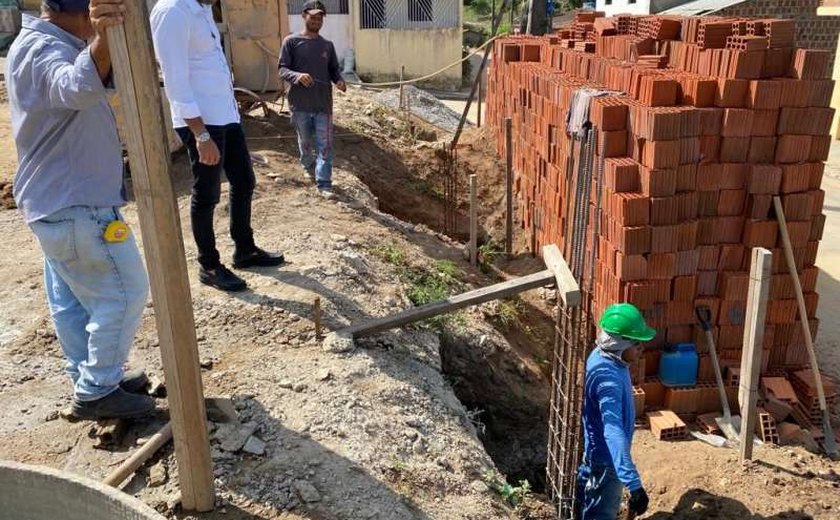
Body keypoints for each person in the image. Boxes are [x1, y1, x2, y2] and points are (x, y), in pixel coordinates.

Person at [6, 0, 155, 419]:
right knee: (126, 293)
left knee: (73, 302)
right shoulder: (43, 49)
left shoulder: (42, 41)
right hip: (77, 204)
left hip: (58, 203)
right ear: (77, 12)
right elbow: (75, 87)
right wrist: (104, 37)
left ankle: (90, 377)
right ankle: (97, 389)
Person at [150, 0, 284, 293]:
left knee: (244, 180)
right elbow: (175, 80)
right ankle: (209, 265)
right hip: (200, 121)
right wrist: (200, 135)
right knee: (207, 193)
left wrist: (231, 114)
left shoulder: (202, 9)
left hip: (224, 115)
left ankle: (245, 250)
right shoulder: (172, 11)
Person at [578, 303, 652, 520]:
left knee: (588, 501)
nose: (641, 348)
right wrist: (634, 484)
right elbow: (612, 430)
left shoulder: (603, 356)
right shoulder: (607, 379)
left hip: (597, 454)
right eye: (636, 343)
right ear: (619, 345)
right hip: (606, 461)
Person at [279, 0, 346, 199]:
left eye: (320, 17)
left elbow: (334, 70)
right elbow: (282, 69)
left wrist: (340, 81)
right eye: (313, 16)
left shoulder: (327, 45)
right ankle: (307, 164)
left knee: (325, 145)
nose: (316, 20)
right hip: (300, 105)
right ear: (304, 16)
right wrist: (297, 76)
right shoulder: (291, 42)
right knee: (306, 141)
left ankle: (324, 183)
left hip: (323, 105)